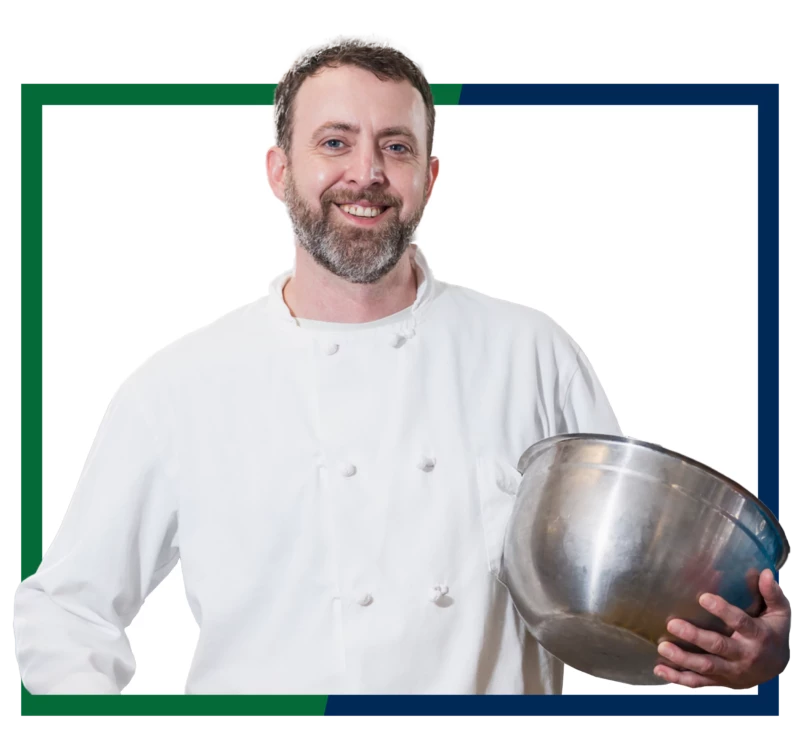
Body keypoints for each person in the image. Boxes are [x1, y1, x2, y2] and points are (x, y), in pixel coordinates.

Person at [13, 37, 790, 696]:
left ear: (429, 176)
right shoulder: (178, 388)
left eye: (396, 146)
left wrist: (761, 645)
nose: (367, 173)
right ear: (279, 172)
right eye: (334, 142)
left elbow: (633, 573)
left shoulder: (531, 353)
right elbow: (63, 611)